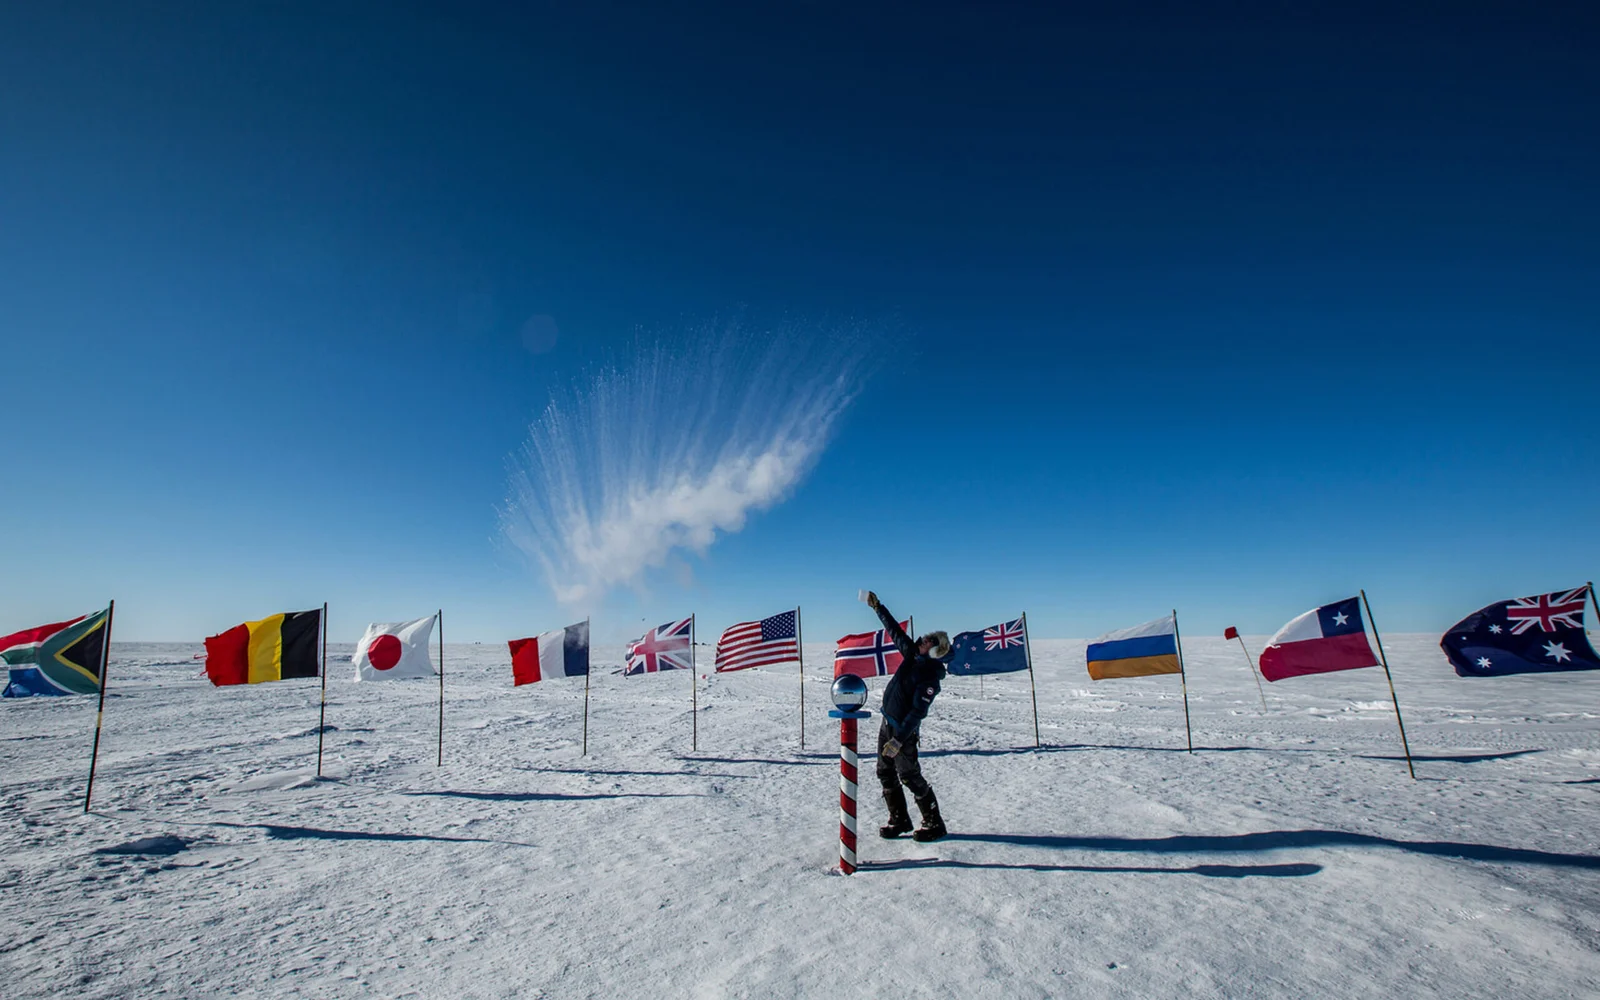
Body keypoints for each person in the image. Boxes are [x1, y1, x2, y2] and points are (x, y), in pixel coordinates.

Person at [863, 591, 950, 842]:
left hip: (902, 732)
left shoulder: (930, 678)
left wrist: (898, 739)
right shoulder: (912, 655)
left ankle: (934, 823)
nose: (922, 640)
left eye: (928, 641)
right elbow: (895, 632)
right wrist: (878, 607)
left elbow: (917, 713)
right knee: (884, 771)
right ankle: (899, 819)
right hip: (886, 724)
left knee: (909, 775)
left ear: (934, 651)